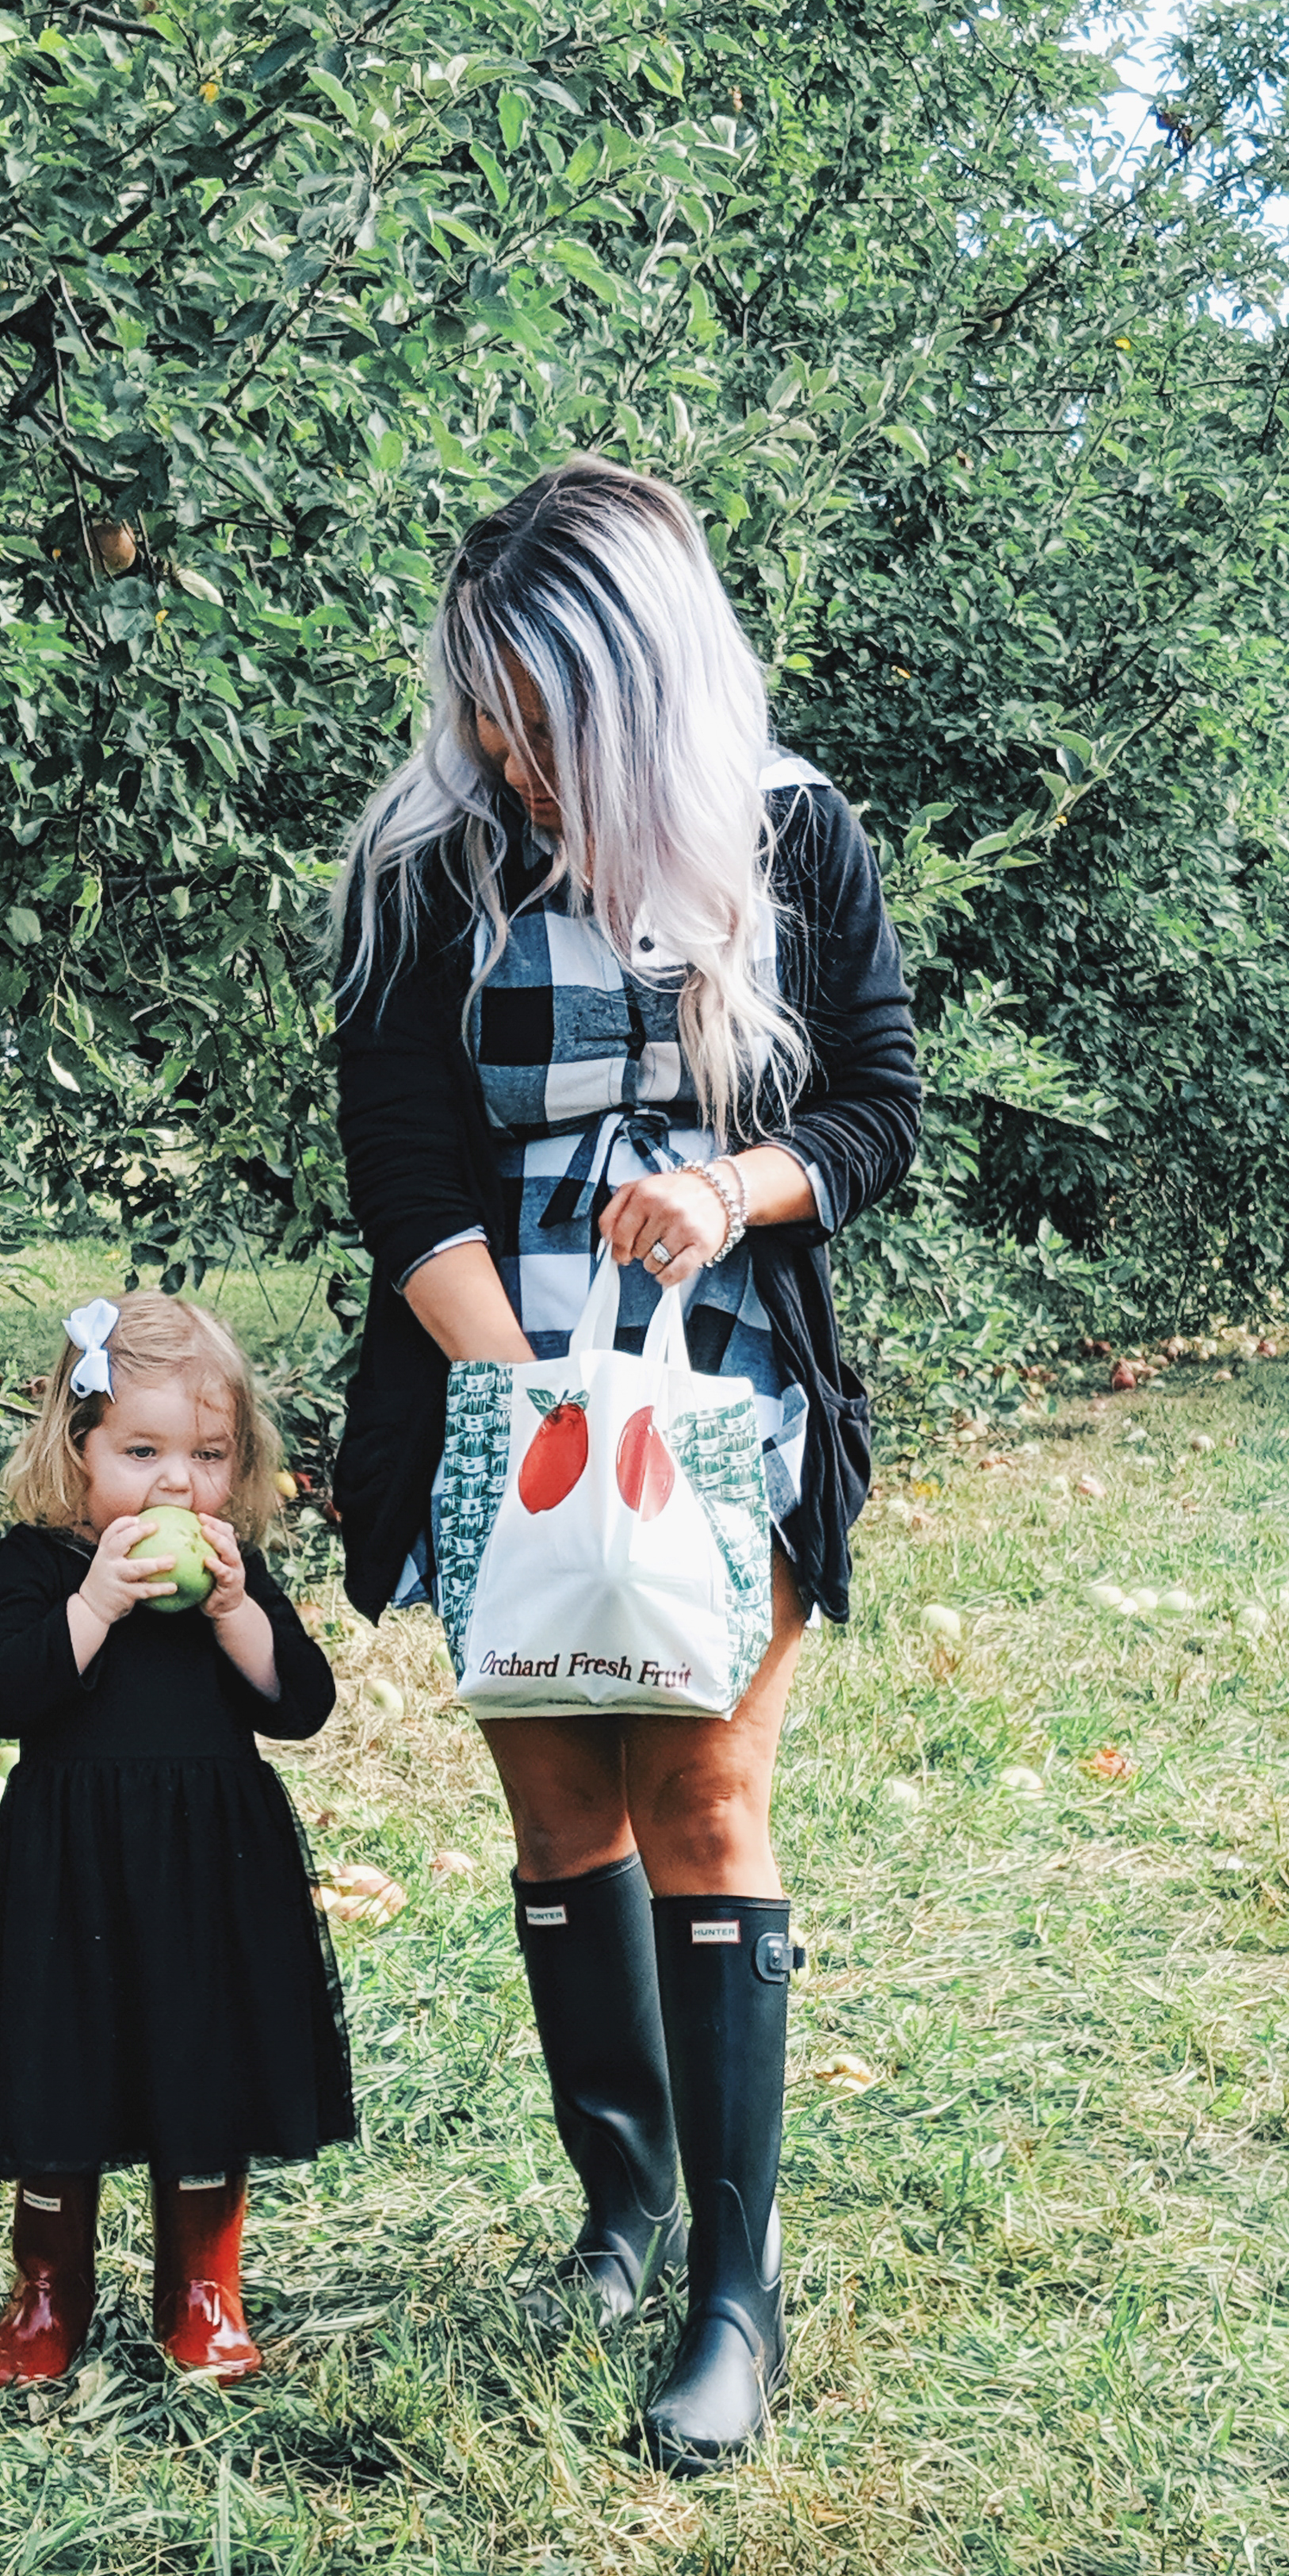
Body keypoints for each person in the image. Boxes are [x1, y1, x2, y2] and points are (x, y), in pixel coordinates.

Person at [331, 457, 922, 2473]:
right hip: (499, 1382)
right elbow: (405, 1180)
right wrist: (528, 1424)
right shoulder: (427, 867)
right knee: (560, 1794)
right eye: (484, 713)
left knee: (704, 1781)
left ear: (641, 689)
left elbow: (876, 1109)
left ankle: (731, 2298)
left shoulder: (790, 835)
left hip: (726, 1385)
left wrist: (740, 1184)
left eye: (540, 718)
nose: (505, 750)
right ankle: (621, 2206)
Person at [0, 1293, 351, 2391]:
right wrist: (94, 1604)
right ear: (76, 1451)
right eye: (142, 1451)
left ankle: (201, 2286)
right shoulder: (42, 1564)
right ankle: (49, 2287)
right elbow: (3, 1694)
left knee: (205, 2065)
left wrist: (233, 1614)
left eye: (209, 1454)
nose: (178, 1483)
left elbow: (300, 1704)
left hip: (211, 1869)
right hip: (70, 1868)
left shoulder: (230, 1572)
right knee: (59, 2072)